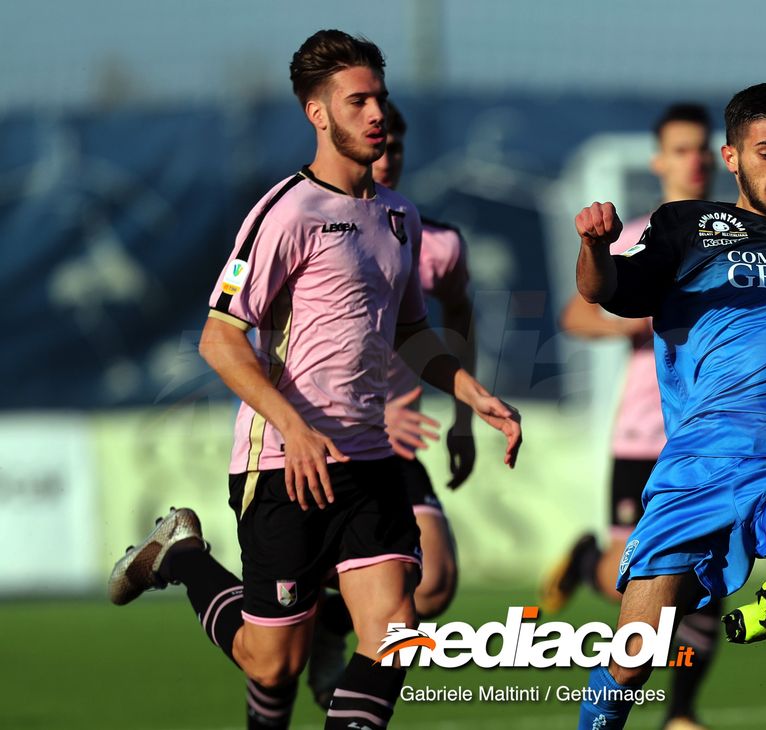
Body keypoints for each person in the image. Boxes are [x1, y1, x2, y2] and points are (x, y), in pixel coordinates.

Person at [106, 30, 521, 730]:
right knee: (273, 662)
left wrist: (473, 395)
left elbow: (412, 334)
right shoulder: (287, 213)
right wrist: (295, 427)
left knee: (395, 635)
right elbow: (219, 339)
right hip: (285, 463)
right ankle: (182, 555)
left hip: (371, 462)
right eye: (357, 101)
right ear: (317, 114)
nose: (375, 114)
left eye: (380, 98)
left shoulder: (399, 216)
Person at [572, 83, 766, 730]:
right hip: (700, 463)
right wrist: (596, 250)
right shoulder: (687, 230)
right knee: (635, 655)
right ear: (732, 157)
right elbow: (608, 293)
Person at [540, 103, 721, 730]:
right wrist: (648, 313)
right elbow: (576, 314)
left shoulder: (738, 237)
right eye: (679, 149)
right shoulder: (641, 235)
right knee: (634, 588)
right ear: (659, 161)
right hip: (643, 434)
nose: (692, 160)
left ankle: (682, 714)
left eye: (701, 147)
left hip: (709, 436)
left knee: (706, 581)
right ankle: (592, 560)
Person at [305, 100, 477, 709]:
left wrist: (462, 421)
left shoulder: (435, 240)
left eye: (395, 146)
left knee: (432, 587)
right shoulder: (311, 219)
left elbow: (458, 318)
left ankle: (335, 628)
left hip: (388, 446)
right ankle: (318, 615)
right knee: (275, 631)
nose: (386, 155)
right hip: (316, 437)